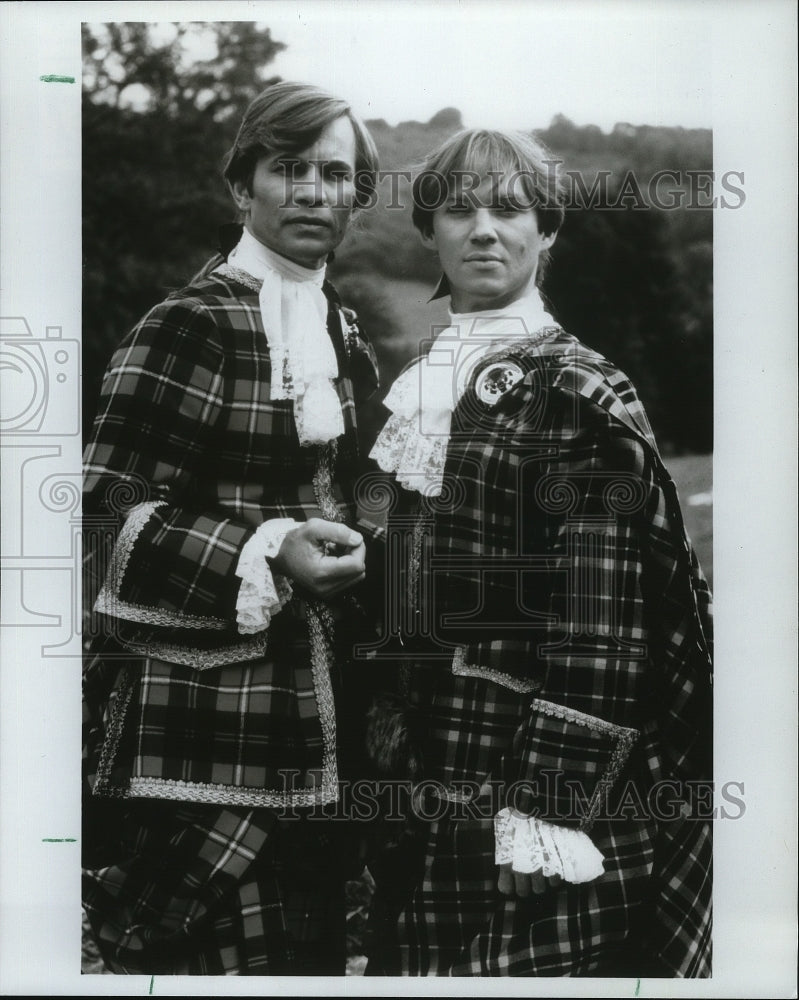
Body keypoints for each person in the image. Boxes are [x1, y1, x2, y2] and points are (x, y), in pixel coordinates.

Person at [365, 128, 713, 977]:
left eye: (510, 209)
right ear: (430, 234)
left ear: (546, 231)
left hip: (536, 782)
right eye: (459, 210)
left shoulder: (575, 387)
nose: (483, 229)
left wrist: (547, 809)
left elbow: (604, 626)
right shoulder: (423, 379)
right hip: (432, 771)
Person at [81, 81, 382, 975]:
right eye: (288, 168)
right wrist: (263, 550)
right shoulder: (189, 324)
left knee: (308, 957)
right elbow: (100, 511)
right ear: (239, 187)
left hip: (323, 727)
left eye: (336, 173)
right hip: (204, 722)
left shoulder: (342, 330)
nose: (313, 192)